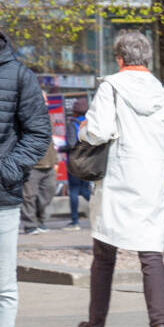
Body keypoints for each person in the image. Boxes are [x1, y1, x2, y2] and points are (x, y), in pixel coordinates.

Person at [74, 31, 164, 327]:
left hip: (118, 177)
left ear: (119, 58)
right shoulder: (161, 91)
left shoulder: (111, 86)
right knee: (151, 253)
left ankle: (96, 325)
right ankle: (159, 325)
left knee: (104, 253)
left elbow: (100, 131)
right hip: (151, 178)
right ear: (145, 58)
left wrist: (84, 130)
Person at [0, 0, 53, 327]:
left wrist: (7, 169)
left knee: (3, 284)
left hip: (0, 199)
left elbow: (38, 134)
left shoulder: (18, 77)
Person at [21, 116, 58, 235]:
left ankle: (40, 220)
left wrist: (55, 160)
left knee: (48, 192)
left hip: (49, 163)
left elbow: (51, 141)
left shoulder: (47, 118)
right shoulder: (24, 118)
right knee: (29, 196)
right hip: (32, 165)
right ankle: (29, 225)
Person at [64, 98, 92, 230]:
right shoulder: (90, 123)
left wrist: (61, 148)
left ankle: (74, 221)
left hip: (75, 161)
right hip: (87, 161)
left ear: (74, 111)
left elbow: (70, 144)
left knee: (74, 191)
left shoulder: (72, 123)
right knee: (85, 190)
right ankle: (99, 209)